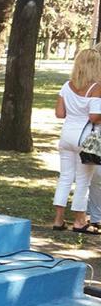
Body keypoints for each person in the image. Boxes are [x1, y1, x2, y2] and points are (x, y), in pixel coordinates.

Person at [52, 46, 101, 234]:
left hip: (66, 135)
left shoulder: (67, 85)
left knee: (65, 177)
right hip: (85, 137)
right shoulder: (96, 88)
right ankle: (80, 221)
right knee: (83, 181)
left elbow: (59, 113)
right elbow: (94, 116)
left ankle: (58, 220)